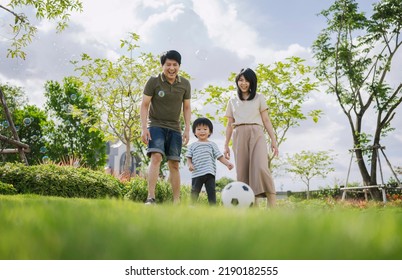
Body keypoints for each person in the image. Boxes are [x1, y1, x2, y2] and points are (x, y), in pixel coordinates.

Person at [140, 50, 191, 204]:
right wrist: (144, 128)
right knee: (156, 157)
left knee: (174, 164)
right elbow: (144, 105)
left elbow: (187, 108)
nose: (171, 68)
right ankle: (151, 197)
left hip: (175, 128)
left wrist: (187, 129)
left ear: (179, 66)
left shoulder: (185, 84)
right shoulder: (154, 81)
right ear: (162, 65)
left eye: (175, 64)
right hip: (156, 125)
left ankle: (176, 202)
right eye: (168, 64)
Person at [223, 68, 278, 208]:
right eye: (240, 80)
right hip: (239, 134)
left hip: (257, 132)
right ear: (237, 82)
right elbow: (229, 124)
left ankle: (272, 205)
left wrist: (273, 140)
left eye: (247, 80)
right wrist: (225, 145)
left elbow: (266, 120)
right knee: (243, 172)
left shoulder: (259, 97)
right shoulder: (232, 100)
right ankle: (251, 207)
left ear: (252, 82)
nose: (243, 83)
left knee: (261, 167)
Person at [186, 117, 234, 205]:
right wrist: (190, 165)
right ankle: (191, 207)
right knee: (194, 191)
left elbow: (219, 156)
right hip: (197, 173)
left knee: (211, 191)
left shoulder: (212, 145)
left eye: (205, 129)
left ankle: (213, 207)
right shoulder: (192, 146)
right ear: (194, 132)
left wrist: (227, 164)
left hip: (210, 173)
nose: (202, 131)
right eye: (199, 129)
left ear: (210, 131)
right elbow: (189, 158)